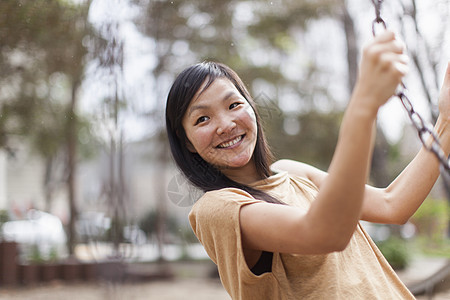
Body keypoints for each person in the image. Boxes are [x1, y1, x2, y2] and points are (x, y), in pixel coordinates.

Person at [165, 30, 450, 299]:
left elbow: (392, 204)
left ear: (251, 107)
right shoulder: (216, 209)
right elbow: (325, 233)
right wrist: (363, 105)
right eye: (203, 119)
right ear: (187, 142)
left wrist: (446, 121)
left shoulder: (293, 172)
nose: (226, 125)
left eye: (234, 105)